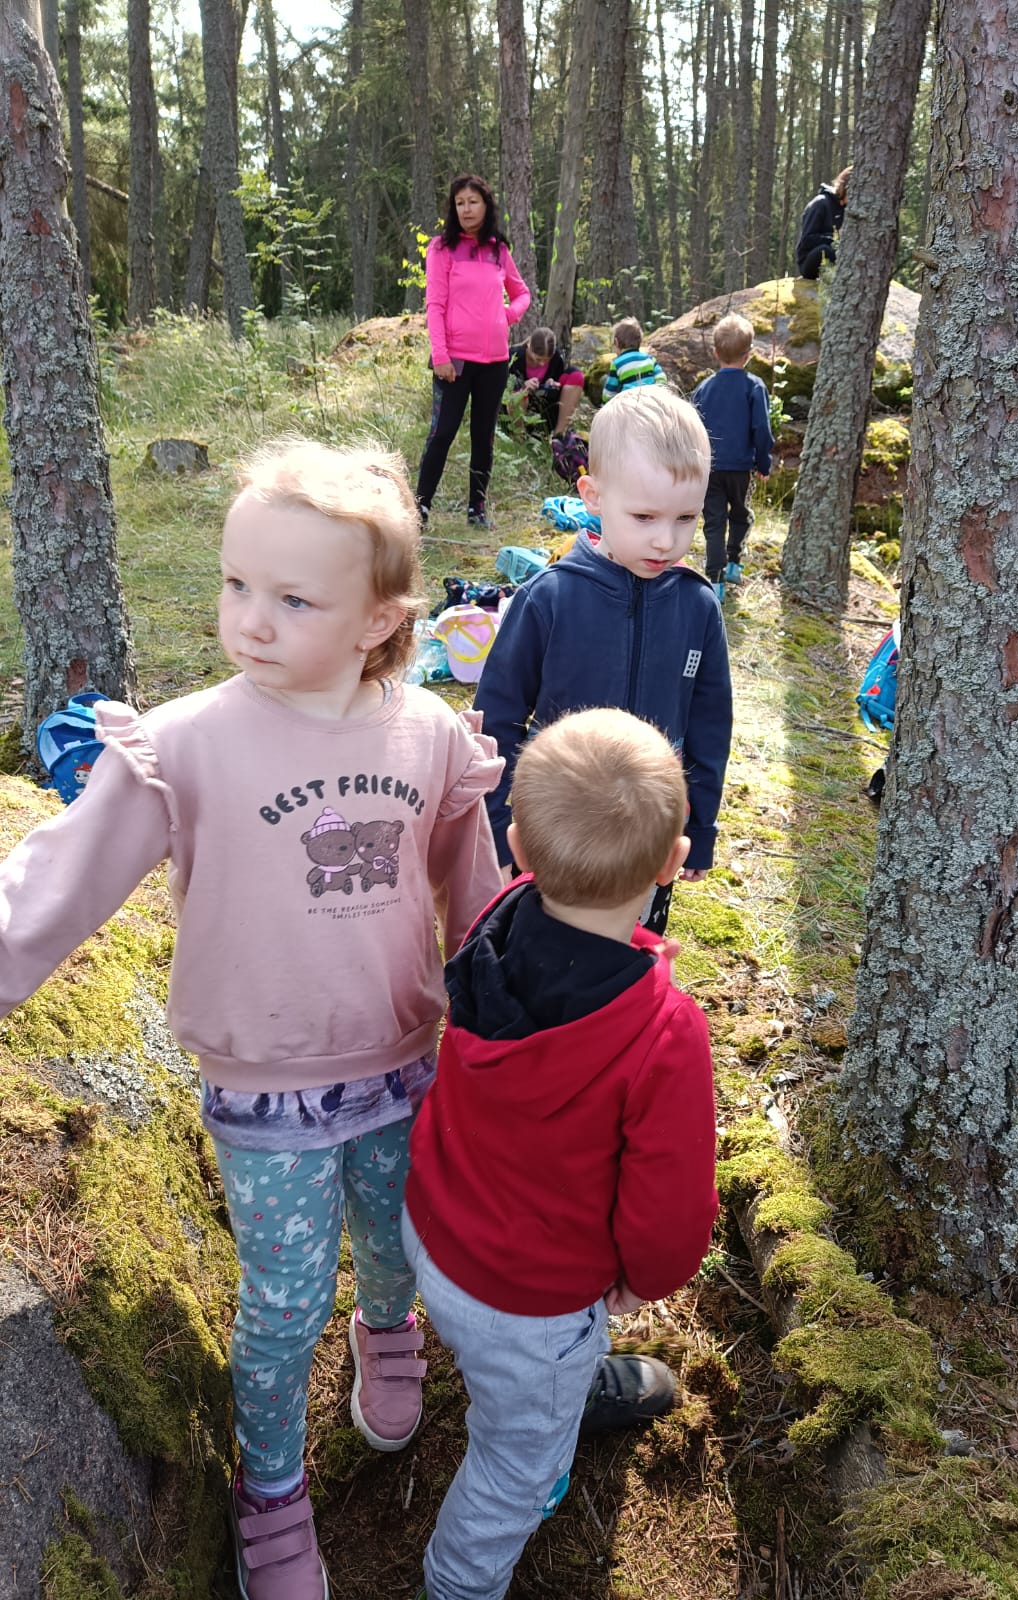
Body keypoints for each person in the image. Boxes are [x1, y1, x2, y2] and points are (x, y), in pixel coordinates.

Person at [0, 440, 506, 1600]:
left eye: (292, 598)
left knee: (398, 1237)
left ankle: (387, 1329)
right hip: (265, 1086)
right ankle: (271, 1489)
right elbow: (60, 878)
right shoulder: (187, 744)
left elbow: (472, 899)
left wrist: (510, 1023)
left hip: (404, 1066)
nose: (251, 619)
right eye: (236, 584)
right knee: (283, 1299)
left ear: (380, 620)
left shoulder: (428, 735)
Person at [403, 707, 719, 1600]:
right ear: (672, 861)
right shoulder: (664, 1033)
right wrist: (646, 1277)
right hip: (532, 1302)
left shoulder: (491, 930)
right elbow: (668, 1207)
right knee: (514, 1466)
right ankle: (457, 1587)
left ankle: (567, 1389)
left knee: (522, 1384)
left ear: (515, 846)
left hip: (433, 1232)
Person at [474, 385, 733, 934]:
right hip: (556, 827)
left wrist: (701, 827)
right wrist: (498, 830)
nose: (665, 540)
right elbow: (497, 716)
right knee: (541, 947)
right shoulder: (549, 598)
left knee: (629, 950)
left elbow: (711, 727)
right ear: (592, 496)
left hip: (650, 832)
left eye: (686, 518)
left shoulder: (698, 607)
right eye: (644, 516)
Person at [416, 174, 531, 530]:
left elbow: (522, 293)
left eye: (473, 202)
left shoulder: (499, 250)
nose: (466, 209)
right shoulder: (441, 248)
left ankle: (476, 509)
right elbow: (435, 305)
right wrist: (440, 356)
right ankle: (419, 509)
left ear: (486, 205)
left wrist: (507, 315)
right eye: (460, 203)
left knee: (484, 437)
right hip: (455, 362)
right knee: (442, 434)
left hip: (495, 362)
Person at [691, 313, 775, 601]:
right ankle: (734, 563)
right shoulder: (754, 386)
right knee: (740, 514)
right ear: (748, 355)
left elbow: (693, 428)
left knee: (714, 522)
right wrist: (763, 463)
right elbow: (761, 429)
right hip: (741, 468)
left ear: (715, 353)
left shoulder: (703, 389)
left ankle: (715, 582)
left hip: (711, 468)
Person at [509, 326, 585, 437]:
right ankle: (519, 436)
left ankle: (559, 435)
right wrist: (523, 385)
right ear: (529, 346)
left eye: (546, 360)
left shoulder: (557, 358)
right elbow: (503, 386)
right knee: (518, 392)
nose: (542, 364)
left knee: (576, 375)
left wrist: (552, 383)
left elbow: (559, 380)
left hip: (546, 408)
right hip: (519, 409)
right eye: (538, 359)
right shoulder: (513, 356)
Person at [794, 166, 852, 280]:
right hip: (809, 260)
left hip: (835, 258)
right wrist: (835, 237)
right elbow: (807, 240)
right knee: (825, 251)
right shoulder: (820, 203)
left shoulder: (847, 210)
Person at [601, 316, 667, 402]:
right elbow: (662, 379)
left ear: (616, 342)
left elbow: (608, 395)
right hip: (651, 399)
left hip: (629, 402)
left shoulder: (617, 364)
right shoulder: (650, 359)